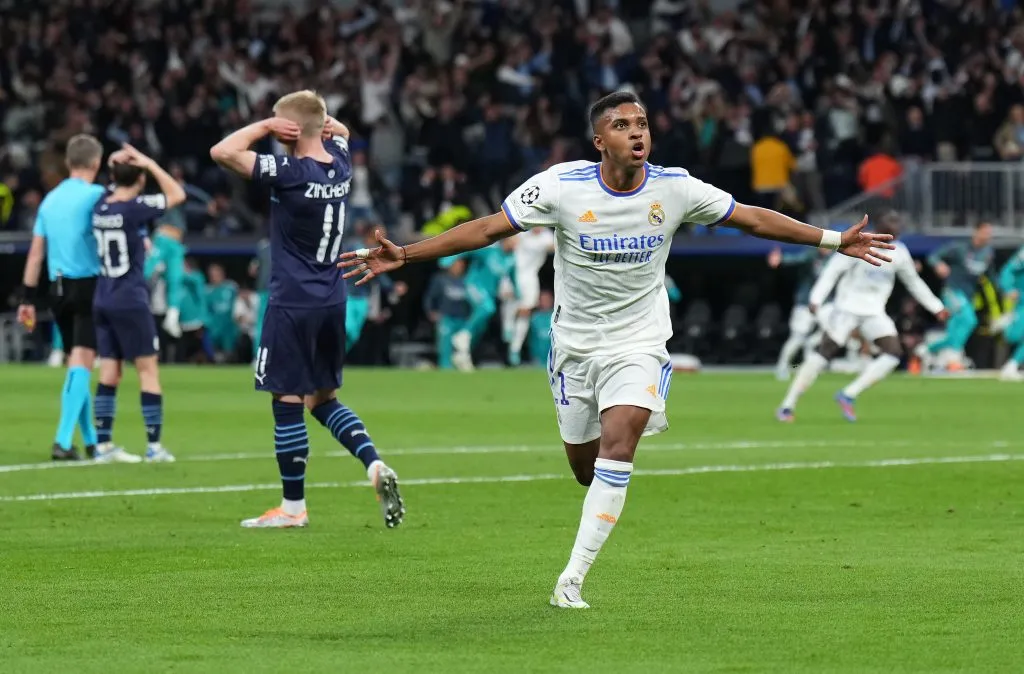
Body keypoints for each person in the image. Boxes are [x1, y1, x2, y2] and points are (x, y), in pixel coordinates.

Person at [341, 91, 893, 608]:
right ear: (598, 141)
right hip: (575, 347)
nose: (637, 133)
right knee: (585, 468)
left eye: (643, 124)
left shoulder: (674, 188)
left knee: (620, 441)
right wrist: (407, 255)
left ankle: (571, 580)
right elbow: (487, 229)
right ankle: (591, 500)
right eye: (621, 125)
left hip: (640, 342)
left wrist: (833, 239)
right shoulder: (561, 186)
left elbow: (751, 217)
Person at [211, 90, 404, 529]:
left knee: (287, 400)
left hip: (291, 300)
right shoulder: (341, 160)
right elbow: (340, 132)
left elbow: (222, 151)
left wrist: (262, 127)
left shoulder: (289, 170)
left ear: (289, 130)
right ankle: (373, 464)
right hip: (332, 298)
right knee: (323, 400)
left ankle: (293, 508)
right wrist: (323, 123)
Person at [777, 215, 947, 422]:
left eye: (893, 234)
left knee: (893, 354)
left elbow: (914, 282)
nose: (889, 238)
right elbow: (832, 271)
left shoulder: (899, 253)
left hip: (874, 311)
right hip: (846, 308)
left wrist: (936, 307)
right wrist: (816, 298)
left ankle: (848, 394)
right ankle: (788, 404)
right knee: (824, 354)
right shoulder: (857, 243)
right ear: (878, 229)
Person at [91, 144, 185, 463]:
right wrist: (150, 163)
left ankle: (103, 445)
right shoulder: (135, 208)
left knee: (109, 371)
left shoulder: (102, 206)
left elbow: (113, 187)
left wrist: (114, 167)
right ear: (141, 180)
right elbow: (176, 195)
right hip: (130, 298)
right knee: (148, 371)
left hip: (102, 296)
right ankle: (154, 447)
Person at [17, 134, 107, 461]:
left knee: (75, 363)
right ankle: (62, 440)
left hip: (56, 288)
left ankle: (92, 442)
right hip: (89, 285)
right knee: (83, 362)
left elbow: (35, 254)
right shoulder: (98, 195)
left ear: (68, 163)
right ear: (96, 163)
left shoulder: (49, 200)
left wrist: (27, 300)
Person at [919, 222, 993, 371]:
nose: (988, 236)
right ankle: (953, 356)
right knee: (969, 319)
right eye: (985, 232)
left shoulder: (988, 253)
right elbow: (933, 256)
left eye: (990, 233)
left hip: (968, 295)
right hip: (952, 291)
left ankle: (926, 349)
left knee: (954, 330)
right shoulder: (960, 248)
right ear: (976, 231)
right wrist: (939, 264)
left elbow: (990, 274)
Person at [439, 239, 516, 371]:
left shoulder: (511, 260)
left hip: (489, 293)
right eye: (514, 239)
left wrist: (519, 295)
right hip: (474, 285)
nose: (516, 243)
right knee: (488, 308)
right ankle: (463, 335)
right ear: (506, 240)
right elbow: (468, 250)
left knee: (481, 326)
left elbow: (514, 279)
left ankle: (462, 354)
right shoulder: (489, 251)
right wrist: (448, 260)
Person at [768, 246, 829, 380]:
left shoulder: (833, 258)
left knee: (831, 332)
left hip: (825, 304)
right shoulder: (811, 256)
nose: (828, 248)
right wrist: (781, 259)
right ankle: (782, 366)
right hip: (805, 304)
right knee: (797, 337)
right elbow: (796, 259)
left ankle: (810, 356)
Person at [508, 227, 555, 366]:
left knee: (526, 310)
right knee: (512, 303)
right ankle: (509, 328)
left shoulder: (547, 235)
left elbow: (555, 247)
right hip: (514, 273)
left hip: (531, 277)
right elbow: (509, 243)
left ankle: (514, 346)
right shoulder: (522, 232)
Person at [144, 221, 186, 358]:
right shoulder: (161, 242)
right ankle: (173, 315)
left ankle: (173, 315)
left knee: (174, 277)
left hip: (154, 299)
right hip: (144, 296)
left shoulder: (171, 249)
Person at [423, 257, 472, 369]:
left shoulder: (468, 280)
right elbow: (430, 297)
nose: (458, 267)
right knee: (445, 345)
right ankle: (445, 368)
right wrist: (430, 311)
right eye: (456, 264)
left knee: (463, 346)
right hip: (446, 318)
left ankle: (462, 367)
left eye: (461, 264)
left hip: (463, 319)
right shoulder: (440, 279)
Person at [996, 245, 1024, 381]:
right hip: (1021, 299)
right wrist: (1008, 288)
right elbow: (1008, 270)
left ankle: (1012, 365)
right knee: (1014, 335)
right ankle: (1009, 323)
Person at [205, 263, 239, 360]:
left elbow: (238, 302)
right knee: (215, 352)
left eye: (216, 274)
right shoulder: (208, 290)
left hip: (229, 324)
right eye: (212, 275)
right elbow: (205, 309)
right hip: (214, 326)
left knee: (229, 350)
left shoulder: (231, 287)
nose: (214, 277)